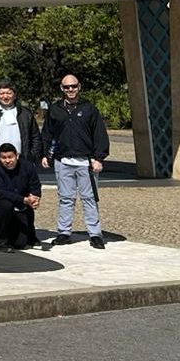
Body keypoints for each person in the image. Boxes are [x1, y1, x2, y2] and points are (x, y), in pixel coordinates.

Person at [44, 74, 109, 249]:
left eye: (73, 86)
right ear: (62, 88)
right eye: (67, 87)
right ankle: (64, 232)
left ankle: (95, 234)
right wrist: (45, 155)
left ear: (79, 87)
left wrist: (98, 158)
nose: (70, 89)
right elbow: (47, 134)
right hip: (63, 161)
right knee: (66, 198)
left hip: (86, 162)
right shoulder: (55, 109)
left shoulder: (89, 109)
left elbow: (100, 135)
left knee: (89, 198)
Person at [0, 143, 42, 250]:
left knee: (20, 243)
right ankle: (0, 240)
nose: (7, 161)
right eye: (3, 158)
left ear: (17, 156)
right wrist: (23, 199)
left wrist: (35, 198)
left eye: (10, 157)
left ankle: (28, 233)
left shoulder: (27, 166)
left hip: (21, 203)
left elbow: (35, 185)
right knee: (6, 205)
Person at [0, 81, 42, 172]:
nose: (5, 96)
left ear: (15, 95)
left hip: (21, 162)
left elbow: (35, 138)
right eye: (2, 93)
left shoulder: (25, 114)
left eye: (9, 93)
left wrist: (32, 158)